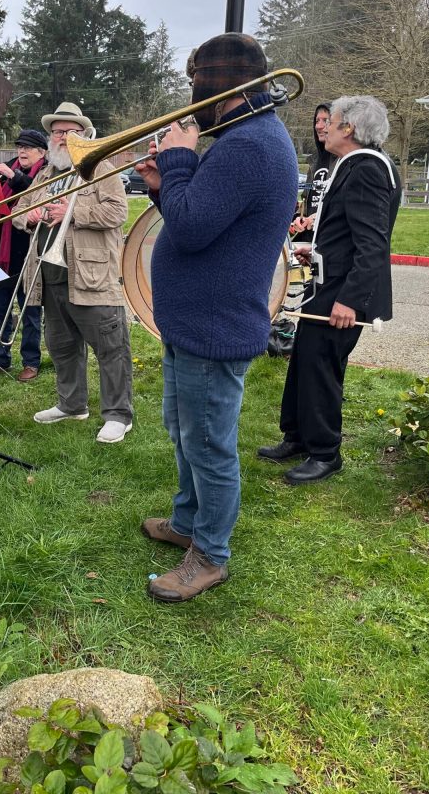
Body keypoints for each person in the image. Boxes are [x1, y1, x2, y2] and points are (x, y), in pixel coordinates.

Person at [135, 32, 298, 603]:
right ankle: (188, 523)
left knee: (208, 443)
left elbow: (193, 229)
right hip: (196, 319)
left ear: (216, 88)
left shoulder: (248, 145)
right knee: (184, 430)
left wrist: (179, 159)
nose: (190, 99)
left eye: (195, 85)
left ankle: (209, 554)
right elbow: (195, 217)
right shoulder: (242, 137)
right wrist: (164, 187)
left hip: (214, 324)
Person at [258, 95, 401, 484]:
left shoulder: (368, 169)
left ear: (348, 128)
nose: (324, 127)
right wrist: (314, 251)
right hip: (328, 284)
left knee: (322, 368)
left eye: (331, 121)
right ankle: (298, 436)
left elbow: (373, 246)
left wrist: (349, 301)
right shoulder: (353, 165)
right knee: (305, 359)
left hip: (342, 295)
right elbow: (346, 232)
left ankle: (325, 452)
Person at [12, 102, 133, 443]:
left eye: (69, 132)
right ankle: (71, 404)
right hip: (49, 273)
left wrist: (72, 210)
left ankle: (118, 415)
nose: (62, 138)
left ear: (83, 134)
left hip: (90, 273)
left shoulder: (100, 167)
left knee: (110, 347)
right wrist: (29, 217)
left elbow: (117, 212)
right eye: (56, 132)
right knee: (62, 345)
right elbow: (20, 210)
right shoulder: (46, 173)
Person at [0, 129, 48, 382]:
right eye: (19, 146)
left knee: (30, 311)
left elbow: (38, 194)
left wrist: (13, 176)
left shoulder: (45, 171)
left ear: (42, 152)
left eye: (28, 147)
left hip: (27, 251)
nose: (22, 151)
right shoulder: (9, 167)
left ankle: (31, 361)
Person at [289, 101, 334, 242]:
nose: (319, 126)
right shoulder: (314, 162)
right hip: (308, 241)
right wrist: (298, 219)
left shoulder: (345, 161)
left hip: (330, 241)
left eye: (325, 121)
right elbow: (307, 203)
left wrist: (315, 219)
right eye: (316, 121)